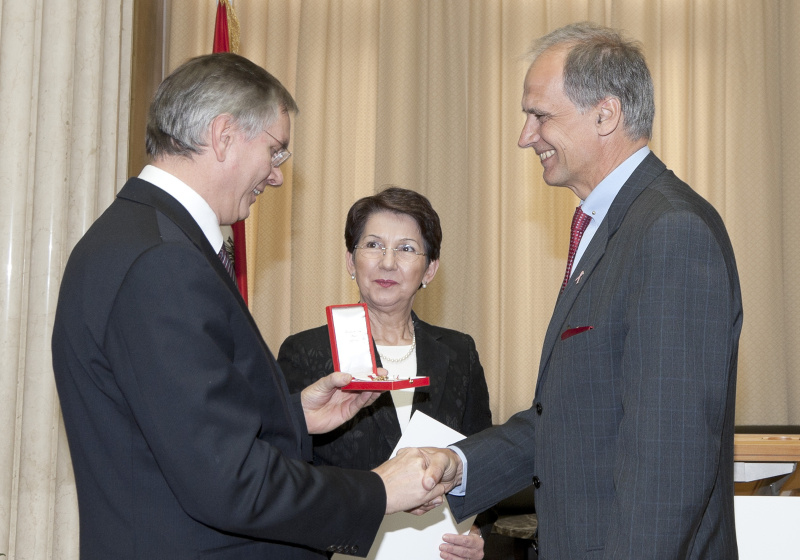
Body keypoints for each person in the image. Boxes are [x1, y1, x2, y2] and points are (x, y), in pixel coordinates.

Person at [51, 52, 450, 560]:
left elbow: (174, 426)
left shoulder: (137, 237)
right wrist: (380, 490)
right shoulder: (162, 263)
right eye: (275, 151)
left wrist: (290, 417)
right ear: (223, 135)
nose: (278, 176)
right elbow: (228, 481)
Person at [426, 22, 743, 559]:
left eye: (540, 115)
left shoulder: (670, 232)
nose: (525, 137)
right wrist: (459, 466)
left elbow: (669, 465)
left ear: (606, 114)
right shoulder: (609, 224)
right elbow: (571, 415)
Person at [279, 187, 492, 560]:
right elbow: (287, 477)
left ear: (430, 269)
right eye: (373, 245)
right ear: (351, 260)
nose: (387, 263)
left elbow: (483, 462)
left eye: (407, 249)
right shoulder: (306, 353)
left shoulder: (460, 353)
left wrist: (476, 533)